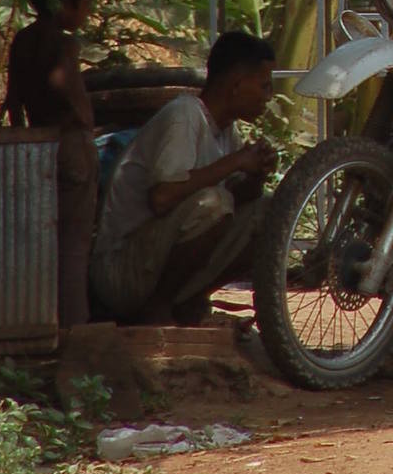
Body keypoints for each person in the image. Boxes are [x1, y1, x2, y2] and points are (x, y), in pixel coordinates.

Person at [88, 31, 277, 327]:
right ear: (237, 84)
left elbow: (236, 207)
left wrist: (254, 176)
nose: (269, 96)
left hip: (151, 262)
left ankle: (188, 299)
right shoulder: (185, 115)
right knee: (213, 204)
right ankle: (157, 308)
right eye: (264, 86)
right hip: (121, 272)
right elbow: (162, 198)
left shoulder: (227, 131)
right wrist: (235, 162)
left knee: (269, 211)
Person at [7, 0, 102, 333]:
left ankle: (41, 322)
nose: (88, 11)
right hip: (71, 145)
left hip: (36, 145)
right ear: (68, 3)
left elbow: (13, 100)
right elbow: (63, 85)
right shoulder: (65, 45)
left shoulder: (22, 41)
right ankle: (75, 332)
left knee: (40, 243)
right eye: (87, 3)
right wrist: (85, 119)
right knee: (74, 248)